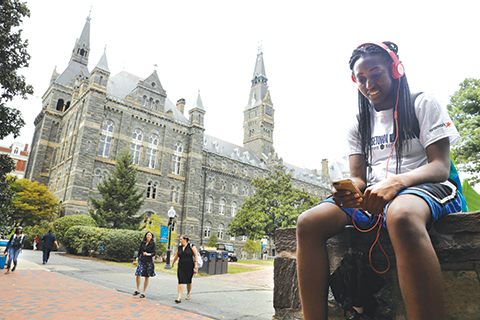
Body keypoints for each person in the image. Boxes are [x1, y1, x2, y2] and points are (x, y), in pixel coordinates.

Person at [296, 41, 464, 320]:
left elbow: (440, 167)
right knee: (308, 222)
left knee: (401, 216)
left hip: (426, 186)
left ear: (396, 70)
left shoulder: (423, 103)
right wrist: (349, 192)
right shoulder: (358, 123)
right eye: (361, 78)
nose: (368, 83)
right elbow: (359, 178)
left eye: (375, 74)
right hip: (376, 193)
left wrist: (396, 183)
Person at [171, 235, 198, 303]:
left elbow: (196, 255)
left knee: (188, 281)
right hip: (181, 266)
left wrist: (195, 264)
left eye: (181, 239)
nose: (180, 241)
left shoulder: (191, 246)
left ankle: (188, 293)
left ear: (185, 240)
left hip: (189, 266)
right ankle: (179, 297)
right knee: (180, 281)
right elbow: (176, 255)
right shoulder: (179, 247)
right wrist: (173, 262)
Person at [133, 231, 156, 298]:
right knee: (138, 273)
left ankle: (143, 292)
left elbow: (154, 253)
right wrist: (137, 259)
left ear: (152, 237)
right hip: (141, 260)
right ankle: (137, 289)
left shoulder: (153, 244)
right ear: (146, 236)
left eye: (150, 235)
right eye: (147, 235)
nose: (148, 236)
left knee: (146, 276)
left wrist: (148, 254)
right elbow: (139, 251)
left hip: (148, 261)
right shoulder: (143, 243)